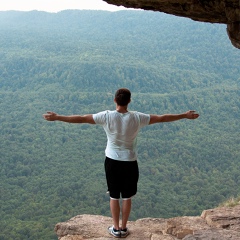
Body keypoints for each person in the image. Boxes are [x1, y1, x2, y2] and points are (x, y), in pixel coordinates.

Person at [43, 88, 199, 238]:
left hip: (111, 161)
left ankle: (115, 228)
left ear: (114, 100)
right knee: (127, 197)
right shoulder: (138, 117)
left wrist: (58, 117)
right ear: (129, 101)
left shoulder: (106, 116)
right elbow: (162, 117)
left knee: (113, 196)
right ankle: (124, 228)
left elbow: (82, 118)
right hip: (130, 162)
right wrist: (185, 115)